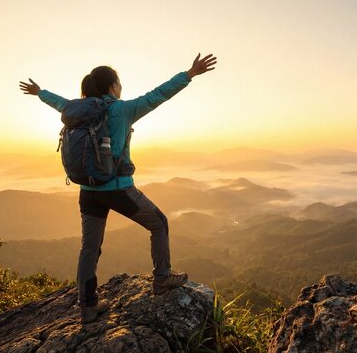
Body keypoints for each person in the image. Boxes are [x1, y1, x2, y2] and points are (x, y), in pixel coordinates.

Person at [19, 53, 217, 323]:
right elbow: (158, 95)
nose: (120, 86)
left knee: (89, 247)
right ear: (112, 86)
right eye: (119, 82)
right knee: (159, 223)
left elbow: (58, 102)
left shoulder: (75, 110)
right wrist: (189, 74)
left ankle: (87, 306)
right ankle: (162, 278)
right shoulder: (122, 110)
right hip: (118, 189)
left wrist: (39, 92)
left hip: (88, 192)